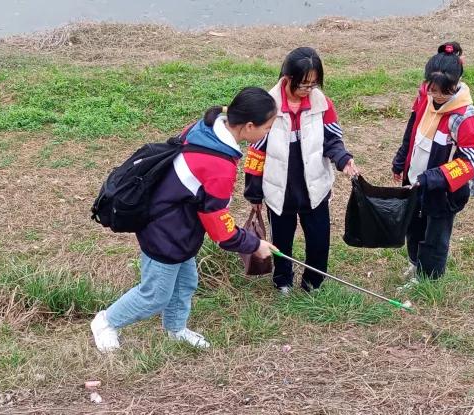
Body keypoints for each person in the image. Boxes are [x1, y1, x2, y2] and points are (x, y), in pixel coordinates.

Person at [91, 87, 278, 352]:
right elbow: (219, 227)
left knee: (185, 281)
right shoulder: (219, 166)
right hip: (165, 230)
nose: (267, 133)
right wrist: (254, 244)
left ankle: (175, 329)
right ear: (248, 126)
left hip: (178, 224)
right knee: (154, 295)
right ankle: (106, 321)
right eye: (267, 127)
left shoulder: (210, 125)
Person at [244, 47, 358, 294]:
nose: (308, 90)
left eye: (313, 85)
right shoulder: (268, 107)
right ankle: (282, 280)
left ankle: (313, 282)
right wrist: (254, 194)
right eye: (303, 85)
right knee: (281, 241)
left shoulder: (323, 105)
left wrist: (343, 160)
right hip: (280, 191)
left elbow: (332, 141)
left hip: (314, 188)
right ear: (287, 78)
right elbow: (256, 153)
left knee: (319, 240)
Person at [392, 42, 474, 285]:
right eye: (432, 90)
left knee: (434, 234)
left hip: (442, 191)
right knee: (413, 226)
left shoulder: (464, 118)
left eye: (442, 92)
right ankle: (415, 263)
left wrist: (431, 179)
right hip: (415, 180)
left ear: (455, 86)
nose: (436, 96)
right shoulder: (425, 95)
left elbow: (471, 163)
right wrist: (401, 161)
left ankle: (428, 279)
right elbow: (412, 128)